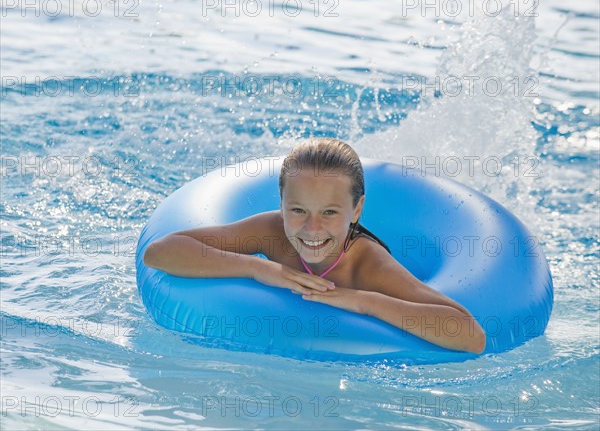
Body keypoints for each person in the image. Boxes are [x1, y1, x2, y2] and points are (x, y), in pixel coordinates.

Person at [144, 138, 486, 354]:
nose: (312, 228)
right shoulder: (271, 231)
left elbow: (469, 334)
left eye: (329, 212)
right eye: (297, 210)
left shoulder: (368, 265)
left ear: (357, 210)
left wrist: (365, 301)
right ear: (281, 204)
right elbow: (159, 253)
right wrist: (259, 267)